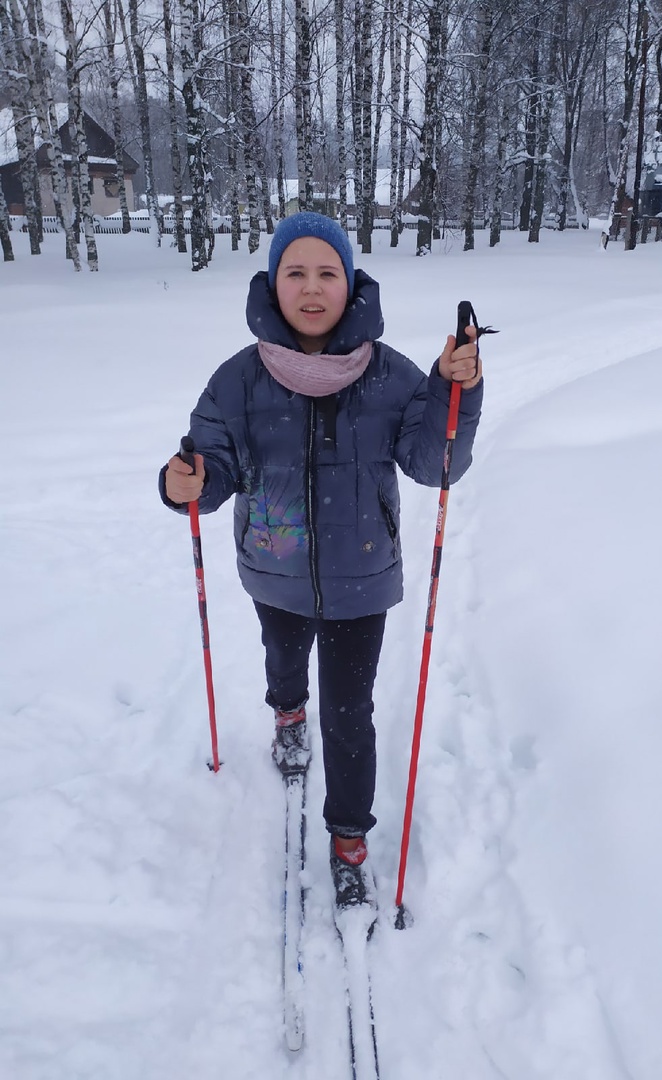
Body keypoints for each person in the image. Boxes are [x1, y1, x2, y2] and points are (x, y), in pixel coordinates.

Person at [159, 212, 483, 910]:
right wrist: (182, 482)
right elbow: (209, 469)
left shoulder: (393, 377)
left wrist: (456, 390)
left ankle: (347, 839)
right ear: (273, 283)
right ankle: (285, 716)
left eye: (326, 272)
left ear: (351, 282)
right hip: (273, 567)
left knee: (349, 711)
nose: (311, 288)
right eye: (295, 272)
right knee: (285, 665)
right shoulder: (238, 381)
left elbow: (436, 462)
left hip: (360, 579)